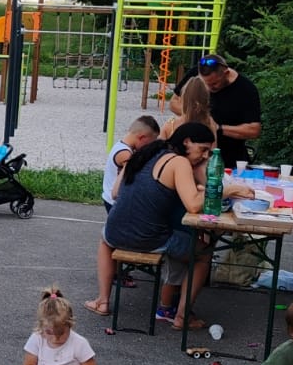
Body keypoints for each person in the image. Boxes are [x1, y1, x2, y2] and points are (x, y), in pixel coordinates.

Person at [86, 123, 226, 327]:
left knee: (105, 240)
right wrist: (227, 191)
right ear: (186, 142)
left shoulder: (144, 153)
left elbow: (115, 193)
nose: (205, 156)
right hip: (150, 238)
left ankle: (103, 301)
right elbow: (194, 205)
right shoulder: (178, 162)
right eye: (203, 149)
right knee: (203, 254)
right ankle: (181, 316)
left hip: (114, 231)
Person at [182, 54, 261, 168]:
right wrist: (195, 115)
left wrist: (219, 128)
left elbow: (254, 130)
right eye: (205, 84)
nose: (209, 88)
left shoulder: (246, 89)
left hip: (230, 158)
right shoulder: (195, 74)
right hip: (194, 155)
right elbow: (175, 102)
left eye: (214, 83)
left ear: (226, 73)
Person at [103, 116, 161, 211]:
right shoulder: (125, 154)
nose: (150, 147)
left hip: (110, 199)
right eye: (150, 143)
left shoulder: (120, 146)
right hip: (116, 202)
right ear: (141, 137)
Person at [162, 74, 216, 141]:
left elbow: (158, 148)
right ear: (207, 100)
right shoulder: (210, 124)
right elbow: (214, 150)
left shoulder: (170, 125)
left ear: (183, 99)